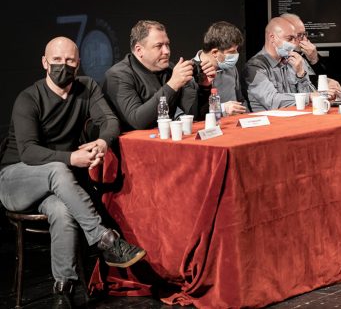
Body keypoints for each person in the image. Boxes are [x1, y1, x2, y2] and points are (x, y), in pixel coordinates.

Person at [0, 37, 146, 306]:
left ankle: (63, 290)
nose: (63, 66)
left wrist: (102, 142)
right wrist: (71, 158)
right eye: (56, 60)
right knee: (57, 169)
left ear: (78, 64)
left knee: (62, 211)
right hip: (16, 180)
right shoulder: (29, 98)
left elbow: (109, 120)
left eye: (69, 60)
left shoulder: (86, 88)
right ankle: (104, 239)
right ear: (45, 63)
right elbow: (28, 152)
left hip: (57, 187)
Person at [102, 20, 198, 130]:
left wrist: (203, 87)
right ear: (139, 50)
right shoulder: (117, 75)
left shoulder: (169, 69)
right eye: (159, 46)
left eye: (167, 44)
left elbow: (191, 115)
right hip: (132, 139)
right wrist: (172, 85)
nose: (166, 51)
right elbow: (137, 121)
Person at [244, 17, 334, 111]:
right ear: (272, 37)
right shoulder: (255, 67)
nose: (294, 44)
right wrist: (309, 97)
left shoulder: (293, 61)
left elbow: (313, 99)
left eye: (295, 38)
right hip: (269, 118)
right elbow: (272, 101)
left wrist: (301, 74)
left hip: (297, 116)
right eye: (289, 39)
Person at [193, 21, 247, 118]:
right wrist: (222, 109)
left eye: (237, 50)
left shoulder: (231, 68)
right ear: (214, 52)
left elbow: (240, 100)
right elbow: (191, 113)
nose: (236, 54)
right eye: (231, 52)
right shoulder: (190, 72)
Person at [280, 13, 341, 95]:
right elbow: (296, 90)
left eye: (304, 34)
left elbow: (313, 80)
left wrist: (315, 60)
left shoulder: (304, 53)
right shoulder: (280, 58)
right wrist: (321, 91)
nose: (305, 39)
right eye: (300, 35)